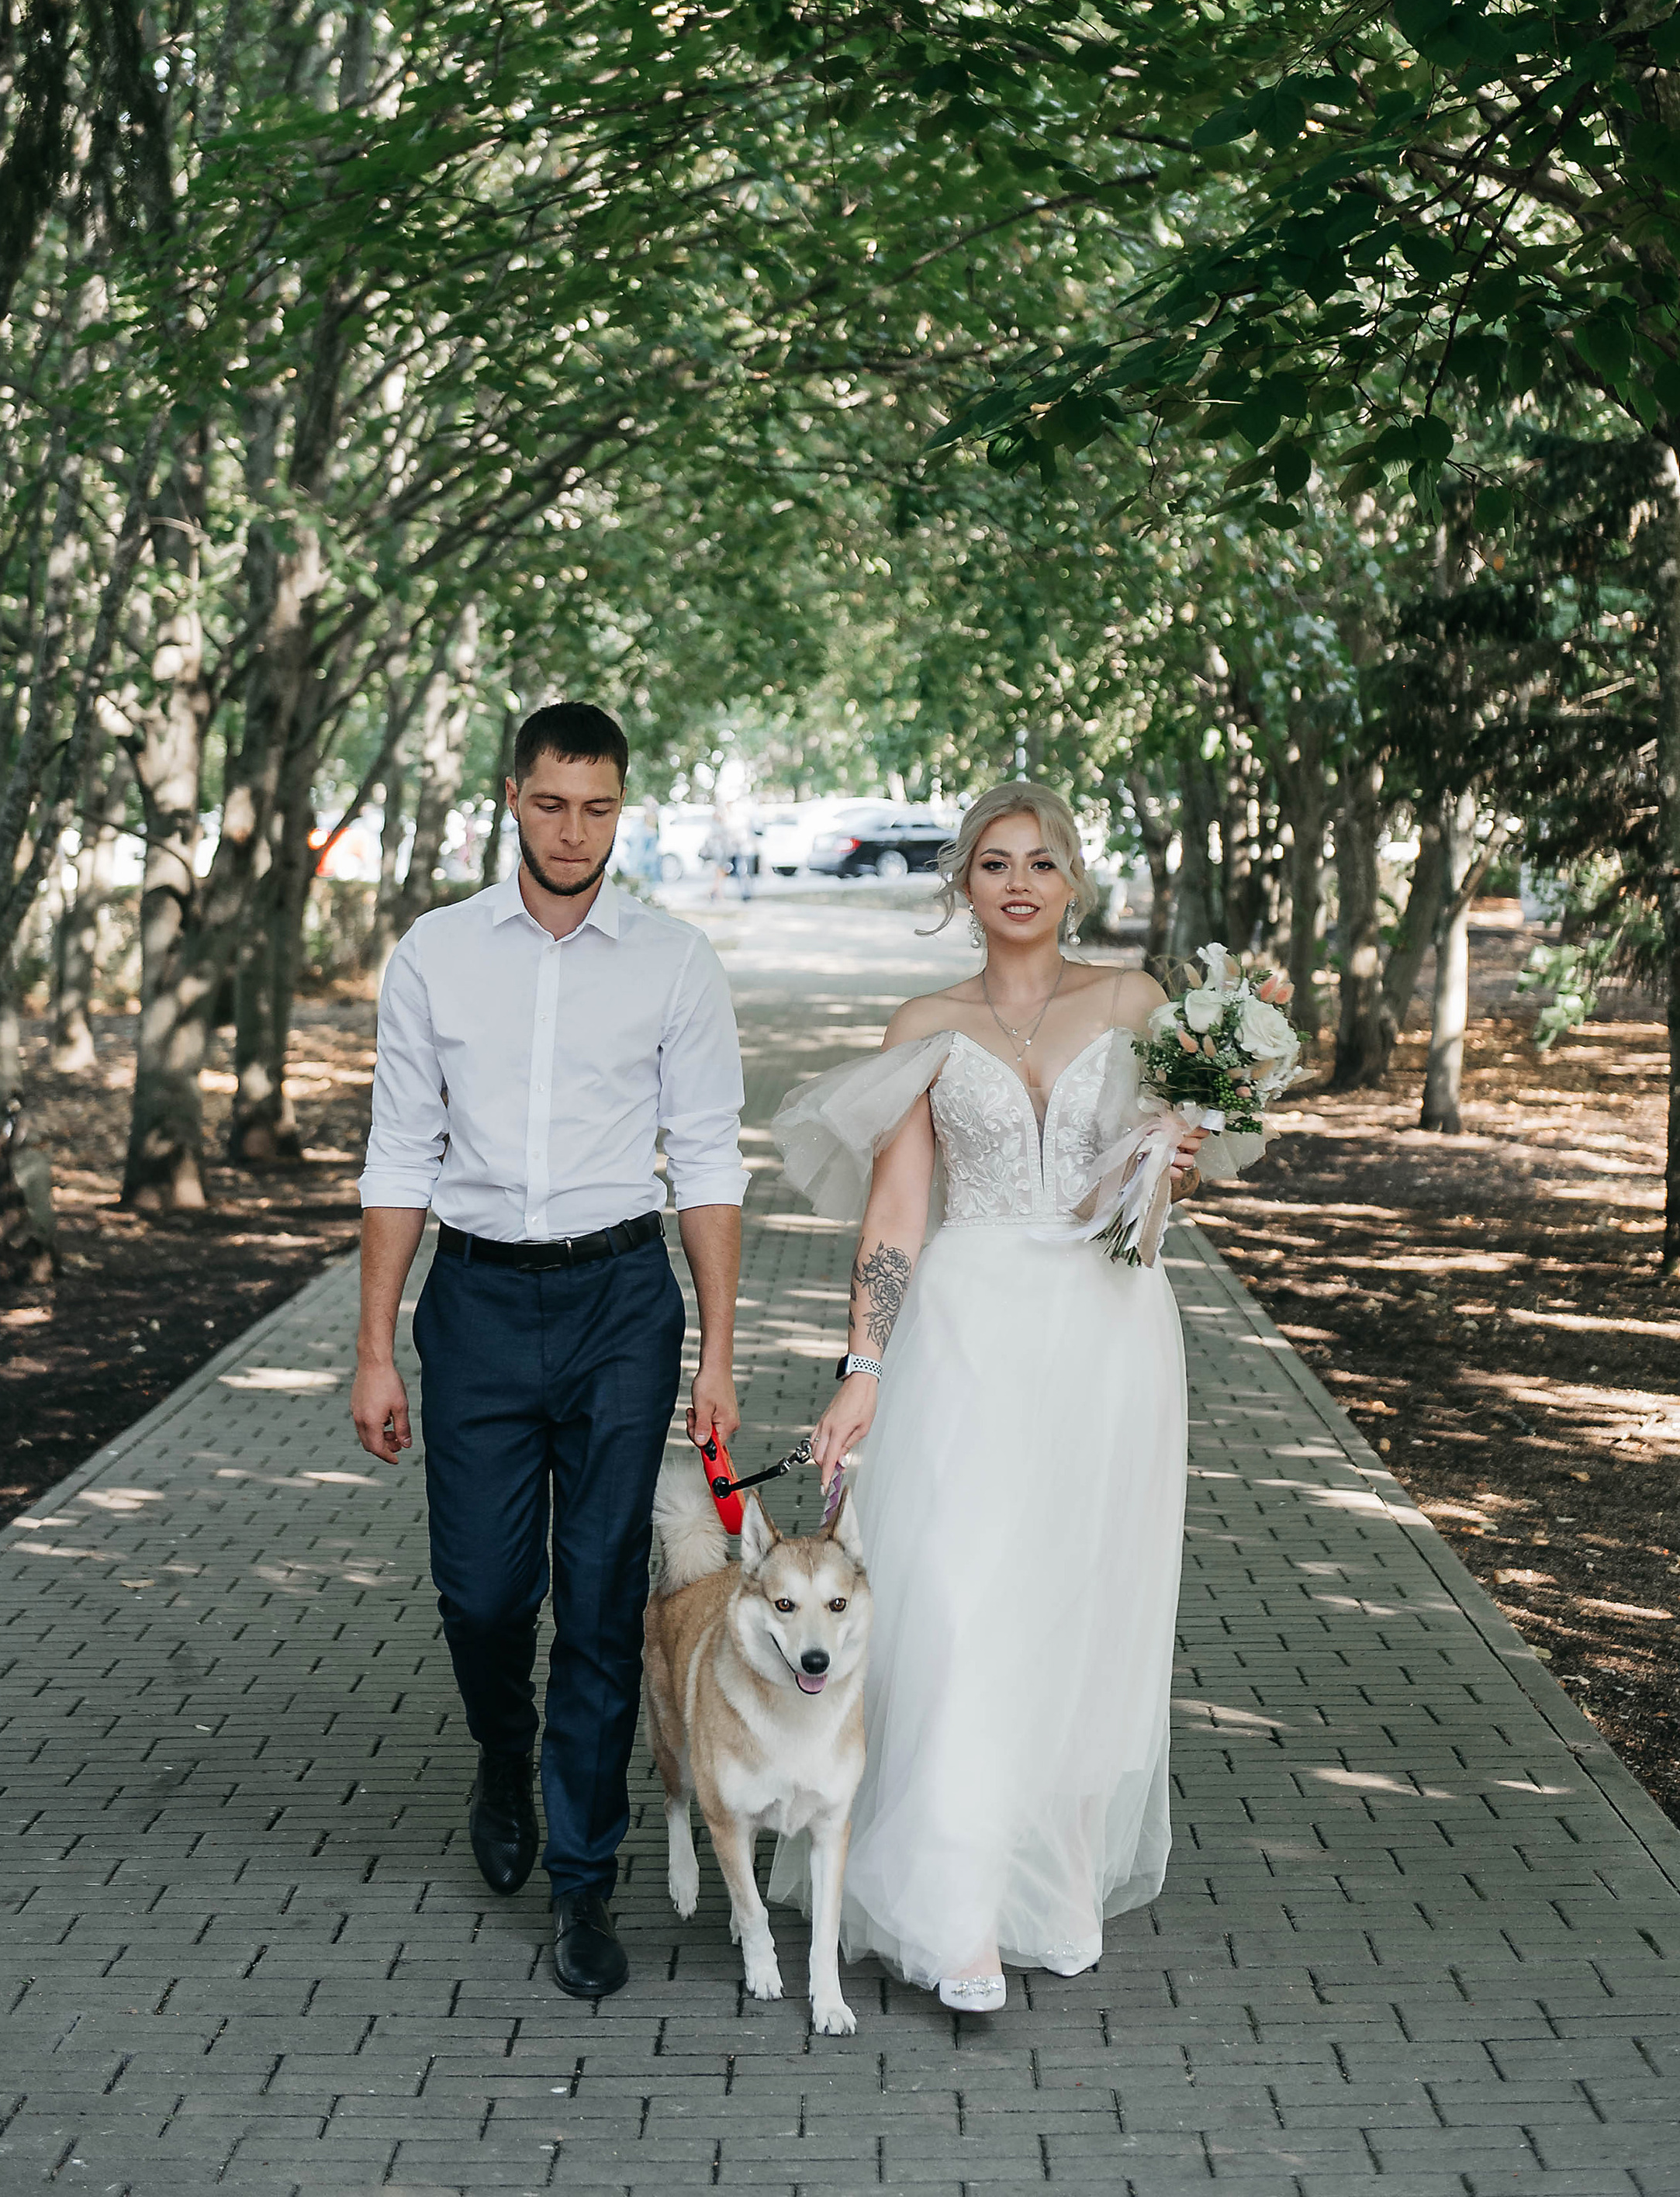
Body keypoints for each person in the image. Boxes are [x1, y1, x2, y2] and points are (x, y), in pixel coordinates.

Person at [769, 781, 1204, 2014]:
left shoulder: (1134, 1004)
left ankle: (1045, 1882)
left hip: (1110, 1329)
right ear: (963, 882)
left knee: (1075, 1604)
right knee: (957, 1600)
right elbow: (899, 1210)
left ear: (1074, 881)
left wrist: (1166, 1164)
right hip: (965, 1326)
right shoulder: (926, 1019)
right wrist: (863, 1367)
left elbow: (1164, 1196)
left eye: (1045, 860)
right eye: (995, 861)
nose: (1020, 880)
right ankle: (951, 1911)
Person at [351, 699, 746, 2001]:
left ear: (622, 807)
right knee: (479, 1593)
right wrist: (374, 1349)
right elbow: (400, 1152)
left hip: (621, 1299)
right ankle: (502, 1748)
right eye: (550, 802)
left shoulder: (674, 960)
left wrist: (721, 1356)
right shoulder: (435, 953)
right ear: (510, 796)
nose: (574, 829)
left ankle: (586, 1880)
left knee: (597, 1603)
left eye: (599, 806)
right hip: (470, 1302)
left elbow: (708, 1161)